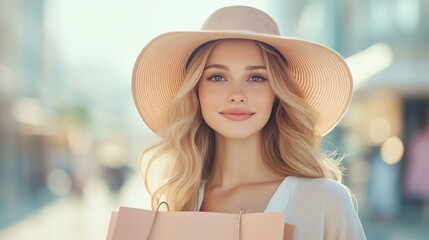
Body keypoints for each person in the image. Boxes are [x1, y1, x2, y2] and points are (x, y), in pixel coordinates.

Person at [132, 5, 366, 239]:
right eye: (217, 77)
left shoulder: (325, 202)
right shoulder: (181, 201)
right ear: (196, 91)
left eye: (256, 77)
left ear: (276, 92)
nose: (237, 94)